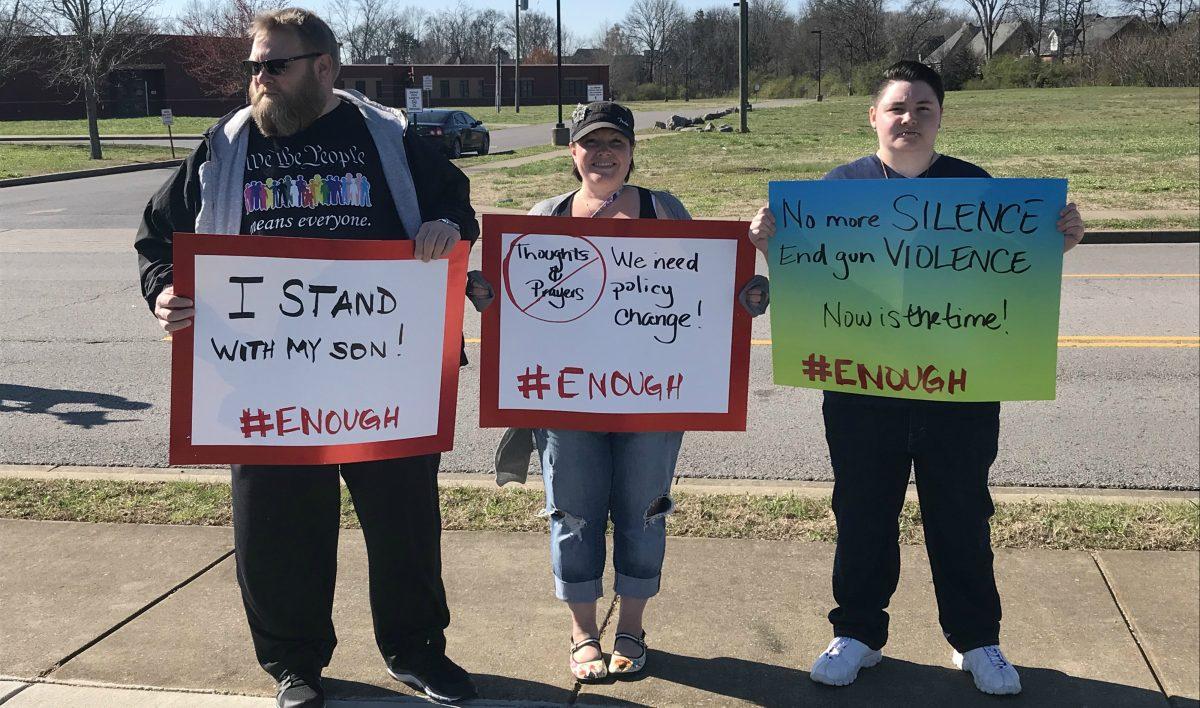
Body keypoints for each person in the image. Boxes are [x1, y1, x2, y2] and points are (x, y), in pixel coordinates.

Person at [134, 8, 478, 707]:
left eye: (274, 66)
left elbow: (455, 208)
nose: (258, 79)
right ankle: (294, 663)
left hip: (384, 372)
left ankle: (416, 650)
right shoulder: (226, 145)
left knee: (404, 522)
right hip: (263, 375)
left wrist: (448, 229)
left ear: (324, 67)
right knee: (277, 526)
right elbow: (159, 238)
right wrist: (163, 292)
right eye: (253, 67)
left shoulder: (390, 137)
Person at [747, 60, 1085, 696]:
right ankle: (858, 634)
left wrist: (1054, 243)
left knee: (961, 513)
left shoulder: (976, 188)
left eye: (922, 107)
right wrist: (768, 243)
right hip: (860, 390)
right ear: (873, 116)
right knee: (862, 512)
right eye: (897, 107)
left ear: (940, 117)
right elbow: (811, 278)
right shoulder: (835, 190)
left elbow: (1009, 274)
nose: (909, 118)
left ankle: (977, 639)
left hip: (959, 392)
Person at [482, 101, 768, 682]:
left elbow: (707, 289)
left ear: (633, 152)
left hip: (652, 397)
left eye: (616, 143)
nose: (604, 154)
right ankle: (583, 631)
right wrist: (486, 296)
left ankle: (632, 626)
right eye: (592, 143)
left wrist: (749, 288)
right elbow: (515, 303)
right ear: (573, 153)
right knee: (571, 511)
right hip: (565, 401)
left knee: (645, 509)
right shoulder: (546, 215)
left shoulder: (665, 211)